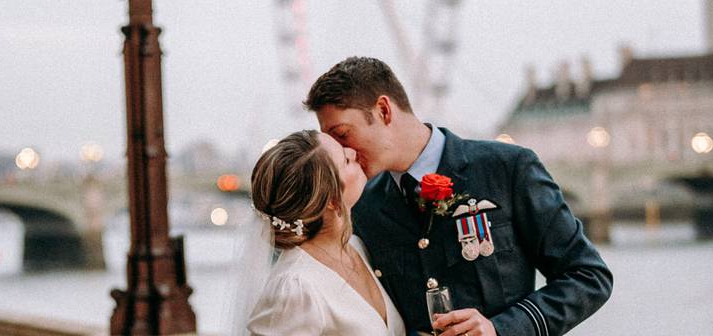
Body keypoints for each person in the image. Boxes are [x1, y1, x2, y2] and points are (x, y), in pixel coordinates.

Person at [306, 57, 613, 336]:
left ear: (384, 111)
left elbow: (589, 276)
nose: (339, 151)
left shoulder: (507, 169)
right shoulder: (364, 206)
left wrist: (501, 329)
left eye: (342, 134)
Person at [239, 129, 407, 335]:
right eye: (345, 160)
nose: (353, 153)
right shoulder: (296, 287)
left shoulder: (358, 247)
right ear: (330, 200)